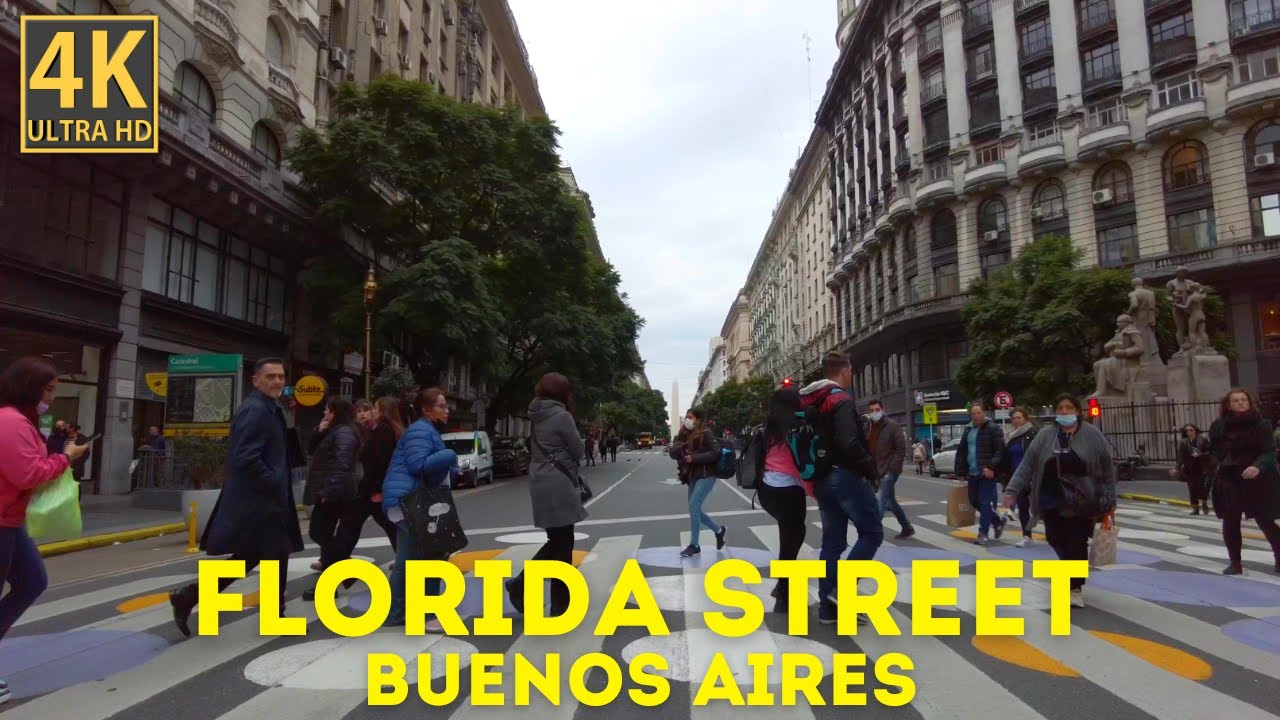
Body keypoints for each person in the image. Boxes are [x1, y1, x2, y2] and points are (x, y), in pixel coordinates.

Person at [169, 358, 303, 637]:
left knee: (267, 554)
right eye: (271, 377)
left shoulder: (269, 408)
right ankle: (271, 614)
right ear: (256, 380)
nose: (278, 381)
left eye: (280, 376)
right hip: (260, 500)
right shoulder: (254, 410)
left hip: (267, 498)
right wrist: (273, 481)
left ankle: (192, 596)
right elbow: (245, 456)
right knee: (266, 553)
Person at [0, 358, 89, 702]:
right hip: (3, 518)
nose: (51, 398)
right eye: (49, 389)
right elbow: (28, 474)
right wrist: (67, 457)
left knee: (33, 581)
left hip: (11, 518)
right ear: (30, 386)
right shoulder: (10, 421)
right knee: (31, 582)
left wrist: (59, 449)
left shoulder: (19, 421)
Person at [1004, 394, 1117, 608]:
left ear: (1077, 411)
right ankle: (1068, 572)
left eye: (1069, 407)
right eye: (1060, 407)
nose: (1064, 411)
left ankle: (1074, 587)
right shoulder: (1046, 435)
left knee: (1077, 542)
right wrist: (1011, 490)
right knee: (1056, 539)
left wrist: (1110, 499)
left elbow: (1107, 469)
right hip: (1051, 498)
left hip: (1083, 499)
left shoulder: (1092, 435)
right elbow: (1027, 465)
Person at [801, 352, 880, 625]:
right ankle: (842, 591)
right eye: (851, 370)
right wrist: (869, 467)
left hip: (822, 480)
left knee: (832, 543)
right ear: (845, 370)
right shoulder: (841, 401)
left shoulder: (814, 402)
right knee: (872, 532)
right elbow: (848, 442)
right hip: (846, 477)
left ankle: (827, 607)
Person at [506, 373, 588, 617]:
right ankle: (522, 585)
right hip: (559, 482)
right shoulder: (562, 416)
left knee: (559, 542)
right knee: (562, 544)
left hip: (540, 480)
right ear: (563, 392)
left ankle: (559, 603)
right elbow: (578, 450)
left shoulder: (536, 414)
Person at [382, 387, 460, 631]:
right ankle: (426, 614)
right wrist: (449, 454)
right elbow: (419, 465)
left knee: (408, 560)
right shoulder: (421, 430)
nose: (447, 410)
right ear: (427, 410)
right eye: (442, 406)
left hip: (407, 501)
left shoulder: (425, 430)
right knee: (434, 554)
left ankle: (398, 613)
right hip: (410, 502)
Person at [1207, 389, 1280, 575]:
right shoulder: (1218, 426)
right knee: (1230, 520)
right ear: (1228, 404)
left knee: (1265, 520)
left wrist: (1257, 466)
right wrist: (1218, 466)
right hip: (1230, 478)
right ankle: (1235, 562)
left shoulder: (1261, 424)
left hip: (1258, 478)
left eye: (1243, 400)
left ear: (1249, 402)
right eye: (1235, 400)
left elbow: (1269, 451)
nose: (1240, 403)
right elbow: (1214, 451)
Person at [301, 396, 364, 602]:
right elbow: (311, 451)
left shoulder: (344, 432)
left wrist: (329, 491)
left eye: (327, 411)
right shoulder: (334, 431)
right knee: (324, 536)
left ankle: (345, 571)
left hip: (336, 492)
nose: (324, 414)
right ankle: (332, 584)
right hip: (332, 490)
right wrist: (318, 432)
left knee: (320, 532)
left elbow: (342, 464)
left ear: (335, 412)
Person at [757, 387, 808, 615]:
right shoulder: (797, 425)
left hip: (767, 489)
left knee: (791, 537)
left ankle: (782, 588)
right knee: (790, 542)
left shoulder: (768, 426)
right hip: (789, 489)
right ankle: (785, 597)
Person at [670, 407, 726, 558]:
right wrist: (679, 438)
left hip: (707, 474)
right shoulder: (686, 434)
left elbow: (716, 452)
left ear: (698, 419)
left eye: (690, 417)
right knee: (694, 510)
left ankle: (694, 545)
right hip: (693, 475)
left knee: (694, 506)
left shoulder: (706, 432)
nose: (687, 420)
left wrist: (693, 458)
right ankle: (719, 531)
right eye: (686, 417)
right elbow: (672, 453)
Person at [955, 401, 1007, 546]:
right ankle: (997, 522)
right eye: (973, 413)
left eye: (979, 413)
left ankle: (983, 534)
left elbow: (999, 451)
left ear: (984, 413)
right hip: (972, 472)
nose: (976, 416)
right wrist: (960, 470)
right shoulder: (968, 429)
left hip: (986, 473)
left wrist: (991, 467)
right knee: (973, 501)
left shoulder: (993, 428)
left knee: (984, 503)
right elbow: (962, 450)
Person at [866, 399, 912, 540]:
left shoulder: (893, 426)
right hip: (875, 470)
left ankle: (872, 534)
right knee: (891, 502)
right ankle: (907, 527)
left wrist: (892, 470)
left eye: (877, 409)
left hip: (889, 471)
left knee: (880, 500)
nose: (875, 413)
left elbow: (901, 449)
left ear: (882, 409)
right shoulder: (867, 427)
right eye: (872, 410)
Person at [1003, 407, 1040, 548]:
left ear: (1025, 418)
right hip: (1016, 477)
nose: (1016, 420)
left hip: (1033, 475)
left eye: (1019, 417)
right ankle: (1027, 536)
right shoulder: (1010, 436)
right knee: (1023, 507)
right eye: (1013, 418)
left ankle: (1055, 533)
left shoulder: (1034, 433)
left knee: (1043, 507)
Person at [1173, 424, 1211, 516]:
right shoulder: (1183, 442)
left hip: (1201, 467)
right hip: (1189, 467)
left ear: (1195, 430)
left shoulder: (1202, 440)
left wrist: (1200, 455)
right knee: (1192, 488)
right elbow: (1181, 456)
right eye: (1187, 430)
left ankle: (1204, 502)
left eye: (1191, 430)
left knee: (1203, 487)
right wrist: (1177, 468)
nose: (1189, 432)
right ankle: (1195, 508)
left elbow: (1210, 451)